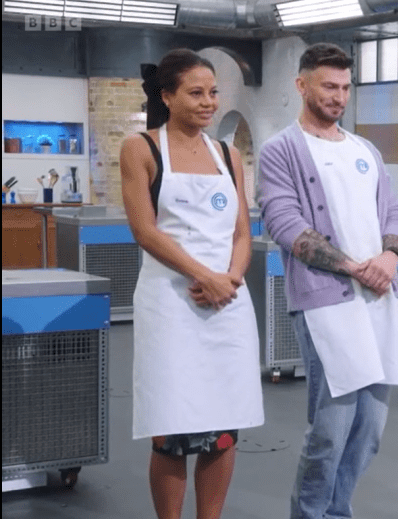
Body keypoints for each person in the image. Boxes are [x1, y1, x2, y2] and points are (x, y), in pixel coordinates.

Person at [257, 42, 398, 519]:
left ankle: (337, 510)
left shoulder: (364, 149)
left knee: (370, 427)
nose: (338, 96)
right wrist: (353, 267)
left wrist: (389, 255)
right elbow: (284, 223)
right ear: (301, 85)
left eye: (346, 87)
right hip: (326, 301)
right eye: (329, 86)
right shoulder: (280, 150)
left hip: (378, 296)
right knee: (331, 428)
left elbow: (393, 209)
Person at [122, 48, 264, 519]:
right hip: (172, 305)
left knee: (224, 428)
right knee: (172, 431)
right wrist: (204, 276)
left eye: (213, 93)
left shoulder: (228, 154)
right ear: (167, 96)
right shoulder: (141, 148)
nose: (208, 102)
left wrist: (231, 277)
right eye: (196, 93)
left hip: (228, 303)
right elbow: (145, 230)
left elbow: (243, 231)